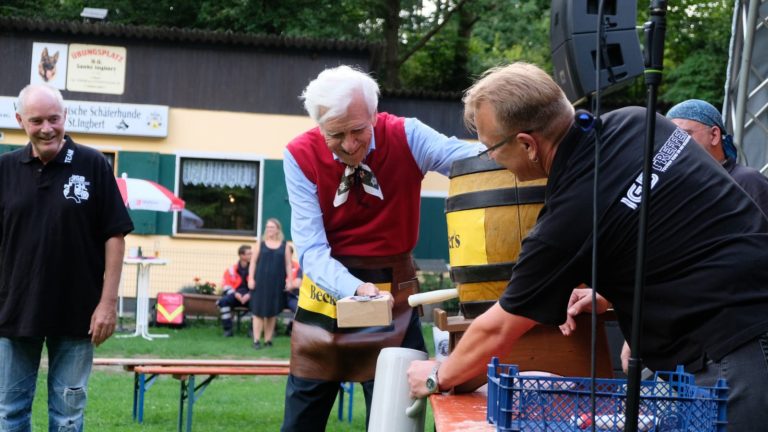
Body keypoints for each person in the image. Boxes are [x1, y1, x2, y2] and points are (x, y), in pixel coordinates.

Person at [406, 62, 768, 431]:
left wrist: (437, 374)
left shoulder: (567, 220)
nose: (491, 159)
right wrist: (612, 292)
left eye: (491, 149)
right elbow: (680, 229)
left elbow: (498, 329)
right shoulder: (641, 122)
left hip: (736, 355)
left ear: (528, 144)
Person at [281, 64, 484, 432]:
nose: (348, 144)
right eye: (334, 134)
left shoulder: (407, 135)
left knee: (396, 424)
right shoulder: (299, 155)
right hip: (324, 304)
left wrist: (518, 139)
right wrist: (355, 289)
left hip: (395, 303)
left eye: (358, 130)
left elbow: (474, 162)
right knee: (299, 425)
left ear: (374, 113)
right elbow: (311, 250)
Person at [0, 84, 134, 431]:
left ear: (66, 116)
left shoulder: (93, 164)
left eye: (54, 119)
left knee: (68, 417)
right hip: (14, 310)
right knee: (9, 413)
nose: (47, 128)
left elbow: (115, 236)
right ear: (20, 121)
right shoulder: (5, 169)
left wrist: (107, 304)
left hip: (78, 314)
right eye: (37, 120)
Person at [667, 99, 768, 215]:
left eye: (684, 135)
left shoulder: (747, 181)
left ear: (714, 135)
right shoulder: (676, 187)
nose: (677, 143)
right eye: (672, 138)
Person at [248, 218, 292, 349]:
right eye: (267, 227)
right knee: (258, 312)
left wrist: (289, 280)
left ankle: (268, 340)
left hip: (276, 284)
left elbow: (288, 265)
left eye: (272, 227)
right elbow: (253, 263)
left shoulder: (285, 246)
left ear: (278, 229)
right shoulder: (260, 244)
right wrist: (250, 278)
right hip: (260, 282)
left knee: (272, 313)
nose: (269, 229)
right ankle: (256, 340)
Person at [216, 244, 253, 337]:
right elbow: (226, 285)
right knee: (223, 301)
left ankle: (252, 331)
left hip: (250, 296)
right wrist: (235, 294)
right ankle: (228, 330)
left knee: (259, 303)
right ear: (242, 255)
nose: (251, 256)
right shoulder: (231, 270)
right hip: (235, 295)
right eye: (249, 254)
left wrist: (249, 295)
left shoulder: (255, 269)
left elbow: (260, 286)